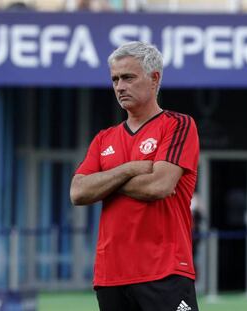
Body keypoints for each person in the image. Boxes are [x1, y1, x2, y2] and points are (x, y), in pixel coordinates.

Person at [70, 41, 200, 311]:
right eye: (115, 79)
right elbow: (78, 192)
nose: (119, 86)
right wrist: (129, 169)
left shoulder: (178, 125)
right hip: (111, 275)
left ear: (155, 79)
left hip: (164, 270)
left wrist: (104, 181)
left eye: (128, 77)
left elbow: (158, 186)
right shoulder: (103, 138)